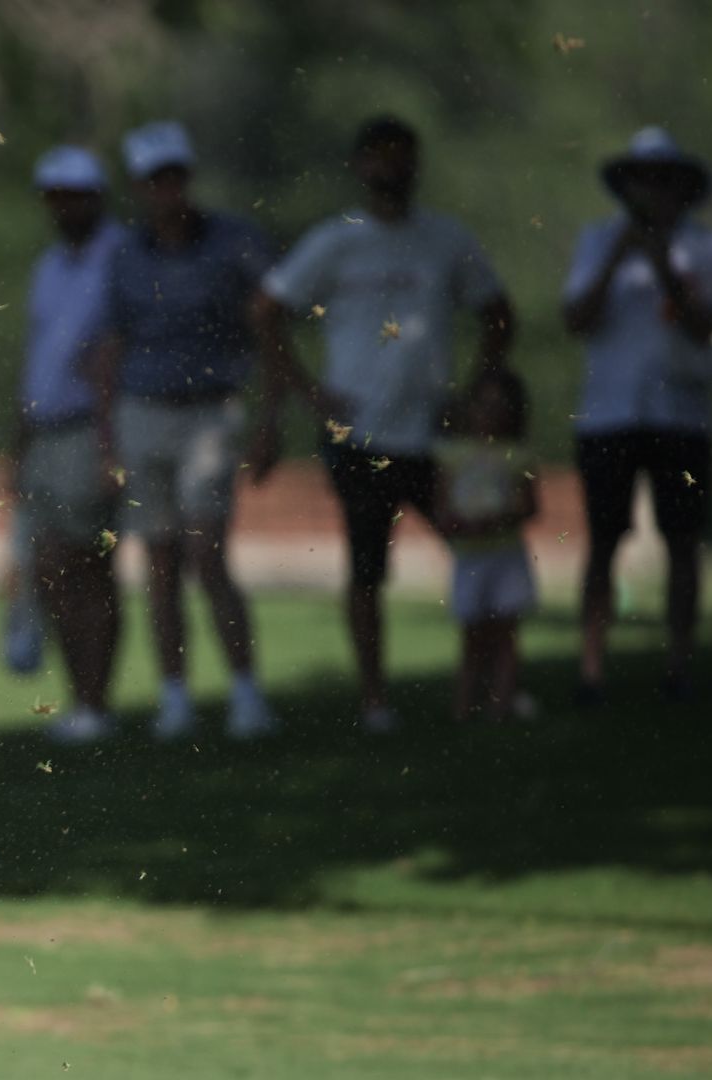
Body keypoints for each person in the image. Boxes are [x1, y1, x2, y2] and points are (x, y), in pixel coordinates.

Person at [257, 115, 515, 734]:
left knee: (485, 556)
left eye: (400, 154)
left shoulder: (446, 240)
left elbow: (498, 313)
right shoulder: (336, 241)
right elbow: (267, 311)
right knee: (368, 570)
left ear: (416, 164)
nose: (388, 167)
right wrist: (309, 392)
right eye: (376, 155)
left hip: (440, 436)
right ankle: (376, 701)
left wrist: (475, 390)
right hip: (361, 434)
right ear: (358, 166)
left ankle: (493, 689)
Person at [96, 122, 278, 742]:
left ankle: (244, 691)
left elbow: (268, 326)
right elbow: (110, 348)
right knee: (160, 560)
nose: (165, 190)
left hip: (210, 411)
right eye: (154, 180)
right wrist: (106, 438)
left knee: (207, 552)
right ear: (141, 187)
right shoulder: (126, 254)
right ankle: (175, 695)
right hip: (142, 411)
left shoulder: (233, 242)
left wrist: (270, 416)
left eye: (173, 177)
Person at [562, 127, 712, 703]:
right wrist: (617, 256)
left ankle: (678, 667)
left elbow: (708, 328)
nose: (650, 192)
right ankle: (591, 670)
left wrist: (661, 267)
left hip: (681, 414)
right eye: (641, 181)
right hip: (609, 414)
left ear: (681, 189)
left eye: (661, 181)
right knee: (604, 539)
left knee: (683, 540)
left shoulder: (707, 250)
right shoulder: (596, 241)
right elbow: (576, 318)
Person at [17, 146, 129, 744]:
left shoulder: (120, 258)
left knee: (90, 567)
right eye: (56, 196)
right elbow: (37, 354)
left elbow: (115, 350)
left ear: (96, 197)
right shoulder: (49, 265)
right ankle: (82, 698)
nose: (64, 206)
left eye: (75, 195)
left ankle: (96, 700)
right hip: (46, 432)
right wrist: (17, 440)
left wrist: (114, 445)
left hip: (91, 431)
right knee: (55, 570)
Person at [433, 369, 539, 721]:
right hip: (470, 556)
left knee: (505, 632)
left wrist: (496, 521)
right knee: (472, 635)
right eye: (484, 404)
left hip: (505, 554)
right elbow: (442, 507)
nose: (490, 413)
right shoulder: (453, 454)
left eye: (499, 405)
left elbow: (530, 505)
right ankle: (465, 706)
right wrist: (460, 525)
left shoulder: (518, 455)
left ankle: (499, 705)